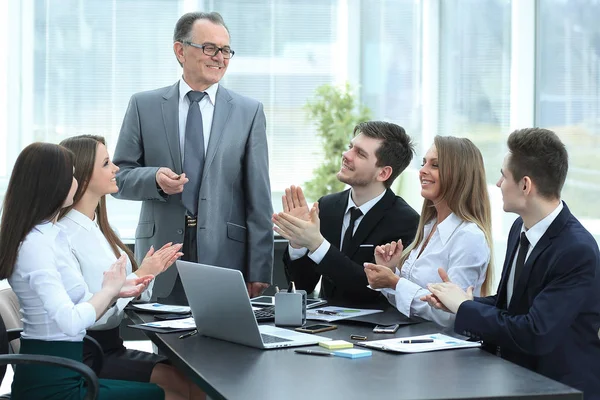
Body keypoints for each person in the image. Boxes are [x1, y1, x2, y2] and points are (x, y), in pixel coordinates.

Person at [423, 128, 600, 399]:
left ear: (526, 185)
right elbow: (511, 304)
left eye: (504, 176)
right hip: (512, 376)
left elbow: (535, 331)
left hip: (558, 388)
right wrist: (457, 301)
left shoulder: (577, 250)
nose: (497, 184)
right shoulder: (519, 227)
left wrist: (465, 307)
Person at [0, 142, 184, 399]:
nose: (75, 182)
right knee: (169, 393)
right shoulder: (36, 245)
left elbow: (83, 301)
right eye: (71, 175)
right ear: (53, 183)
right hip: (53, 384)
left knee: (175, 389)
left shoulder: (51, 236)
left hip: (70, 370)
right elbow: (71, 321)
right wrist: (110, 289)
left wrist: (118, 291)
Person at [112, 11, 273, 305]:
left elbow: (259, 197)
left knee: (220, 347)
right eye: (210, 48)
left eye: (226, 50)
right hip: (161, 253)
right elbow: (118, 178)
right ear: (180, 50)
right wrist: (154, 180)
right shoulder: (143, 105)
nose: (220, 57)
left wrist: (260, 266)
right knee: (164, 344)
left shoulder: (248, 112)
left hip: (225, 255)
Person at [58, 135, 204, 399]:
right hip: (88, 352)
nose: (116, 169)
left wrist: (145, 277)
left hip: (109, 345)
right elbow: (91, 310)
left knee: (193, 380)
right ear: (84, 175)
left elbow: (122, 295)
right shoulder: (65, 235)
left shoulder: (100, 228)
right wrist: (141, 274)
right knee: (183, 386)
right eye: (106, 163)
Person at [274, 121, 420, 307]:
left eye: (360, 153)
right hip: (322, 326)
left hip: (374, 329)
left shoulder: (406, 221)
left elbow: (371, 289)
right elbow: (304, 286)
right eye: (350, 147)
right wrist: (298, 242)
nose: (346, 155)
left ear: (383, 173)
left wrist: (316, 244)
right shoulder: (327, 206)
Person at [364, 136, 493, 327]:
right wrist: (390, 273)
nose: (422, 171)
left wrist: (395, 283)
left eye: (435, 165)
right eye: (424, 163)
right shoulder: (428, 227)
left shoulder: (468, 237)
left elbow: (453, 314)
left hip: (447, 351)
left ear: (458, 174)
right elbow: (406, 304)